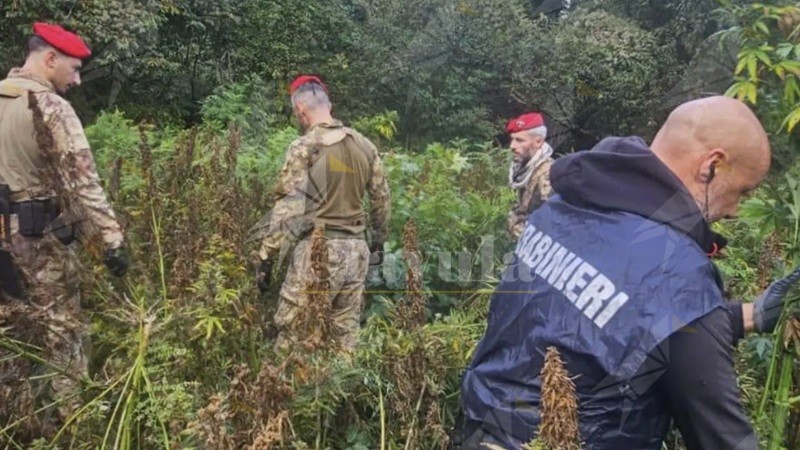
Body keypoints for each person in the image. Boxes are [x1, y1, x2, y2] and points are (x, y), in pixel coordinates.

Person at [457, 96, 800, 449]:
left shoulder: (561, 208)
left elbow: (602, 322)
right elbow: (722, 436)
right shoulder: (674, 274)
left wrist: (749, 316)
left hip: (480, 428)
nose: (735, 211)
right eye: (742, 191)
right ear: (711, 165)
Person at [0, 23, 128, 436]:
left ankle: (17, 422)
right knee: (63, 330)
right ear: (49, 59)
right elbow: (83, 182)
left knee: (10, 331)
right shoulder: (51, 108)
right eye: (73, 69)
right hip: (40, 241)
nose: (76, 79)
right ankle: (74, 425)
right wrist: (112, 240)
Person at [254, 75, 391, 352]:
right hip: (356, 252)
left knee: (294, 338)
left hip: (318, 252)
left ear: (300, 110)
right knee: (344, 339)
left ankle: (294, 393)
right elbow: (382, 202)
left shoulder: (304, 147)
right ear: (329, 104)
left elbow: (288, 210)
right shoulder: (365, 145)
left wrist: (266, 256)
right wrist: (376, 245)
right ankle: (340, 393)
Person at [505, 112, 554, 240]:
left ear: (538, 142)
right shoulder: (526, 169)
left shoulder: (548, 175)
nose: (512, 146)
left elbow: (550, 228)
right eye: (512, 139)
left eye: (520, 140)